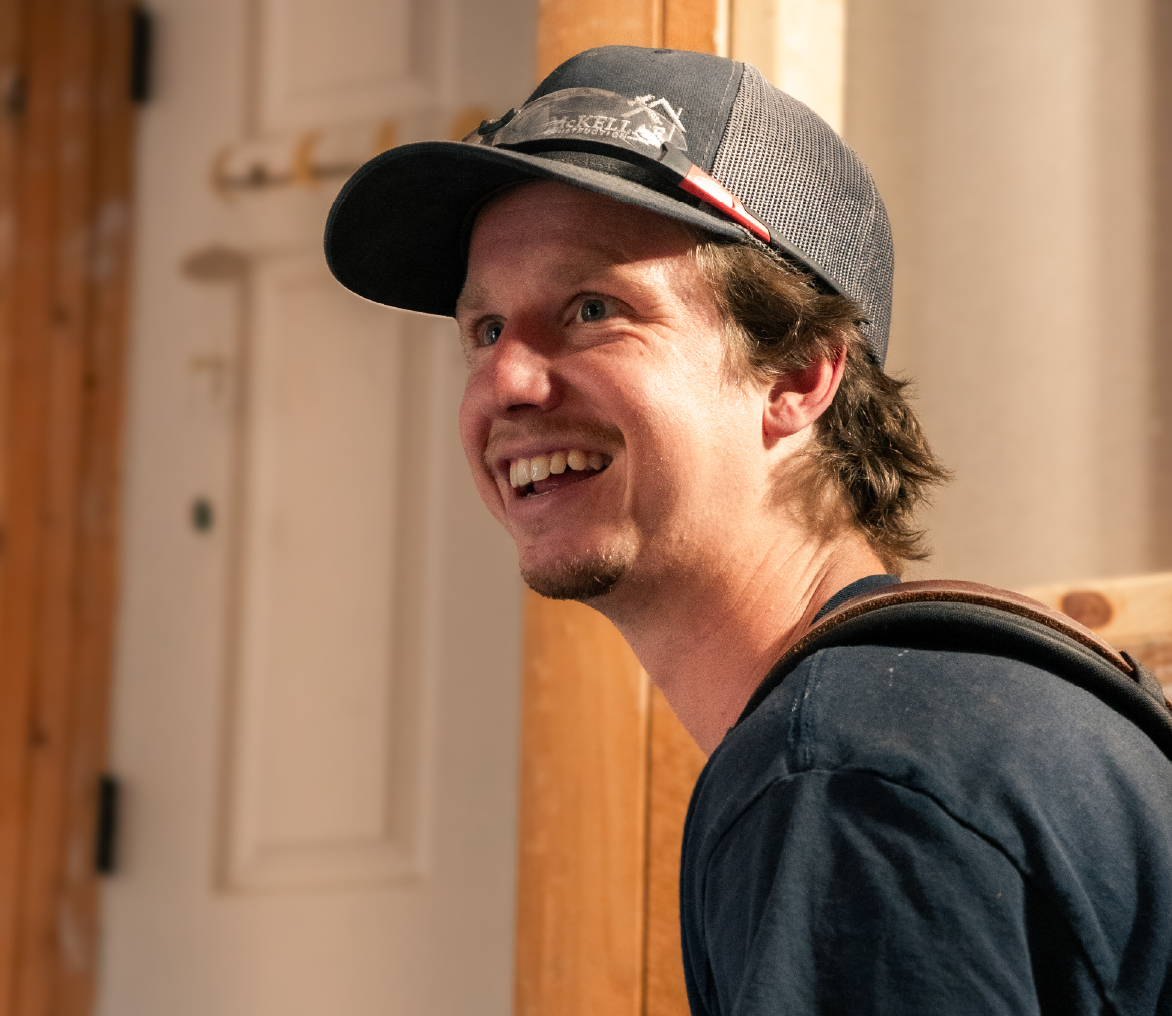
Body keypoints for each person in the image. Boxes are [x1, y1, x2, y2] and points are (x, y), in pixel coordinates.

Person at [325, 45, 1172, 1015]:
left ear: (798, 372)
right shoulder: (949, 714)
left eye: (591, 308)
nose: (506, 382)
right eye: (484, 330)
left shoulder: (847, 779)